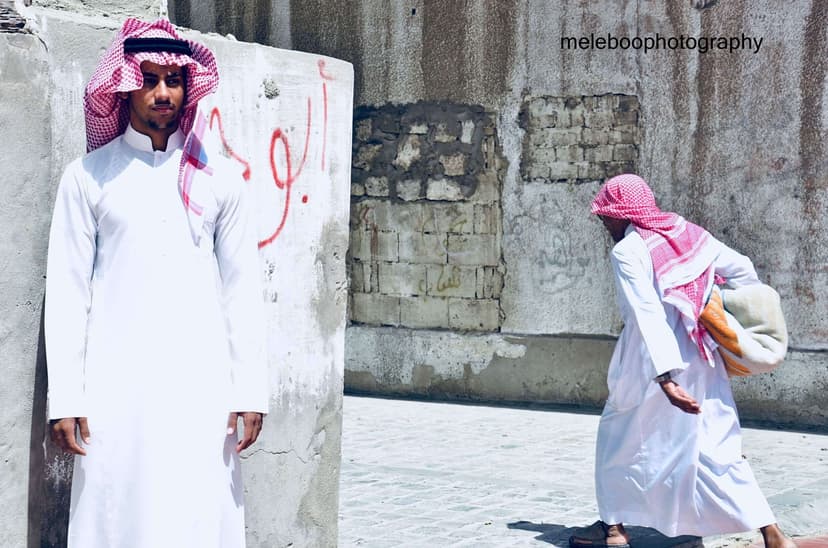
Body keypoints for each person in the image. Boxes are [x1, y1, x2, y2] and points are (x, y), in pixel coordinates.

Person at [44, 18, 268, 548]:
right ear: (124, 86)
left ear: (189, 86)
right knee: (117, 513)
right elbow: (69, 292)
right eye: (147, 79)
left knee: (198, 514)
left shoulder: (220, 180)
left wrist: (250, 388)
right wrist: (66, 397)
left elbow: (242, 290)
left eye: (173, 80)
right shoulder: (88, 177)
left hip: (201, 385)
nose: (162, 92)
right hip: (115, 385)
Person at [569, 174, 795, 548]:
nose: (604, 221)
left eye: (607, 214)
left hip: (647, 362)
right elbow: (742, 269)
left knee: (619, 439)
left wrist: (666, 378)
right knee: (715, 446)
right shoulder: (687, 233)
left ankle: (614, 530)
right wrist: (713, 306)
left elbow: (647, 314)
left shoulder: (628, 251)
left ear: (623, 214)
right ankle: (772, 534)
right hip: (702, 357)